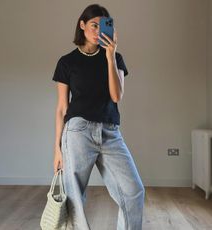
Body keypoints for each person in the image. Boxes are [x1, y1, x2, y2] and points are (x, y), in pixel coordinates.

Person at [52, 4, 145, 230]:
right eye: (93, 25)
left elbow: (116, 96)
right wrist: (57, 148)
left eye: (103, 26)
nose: (97, 31)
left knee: (134, 191)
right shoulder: (67, 62)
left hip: (110, 132)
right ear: (82, 25)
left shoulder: (115, 57)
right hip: (77, 131)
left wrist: (110, 57)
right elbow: (62, 108)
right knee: (74, 196)